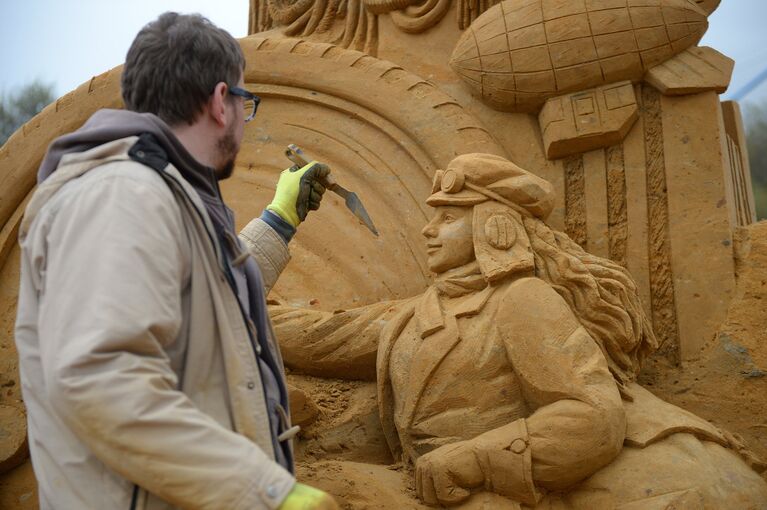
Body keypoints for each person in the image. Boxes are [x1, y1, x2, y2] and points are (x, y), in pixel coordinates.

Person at [271, 153, 767, 508]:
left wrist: (473, 460)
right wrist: (238, 290)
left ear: (493, 226)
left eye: (446, 218)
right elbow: (321, 337)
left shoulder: (522, 300)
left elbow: (590, 415)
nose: (428, 230)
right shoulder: (416, 312)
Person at [15, 12, 337, 510]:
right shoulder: (121, 194)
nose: (244, 119)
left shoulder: (155, 190)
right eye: (245, 103)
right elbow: (99, 378)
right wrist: (266, 491)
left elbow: (206, 301)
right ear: (220, 103)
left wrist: (279, 219)